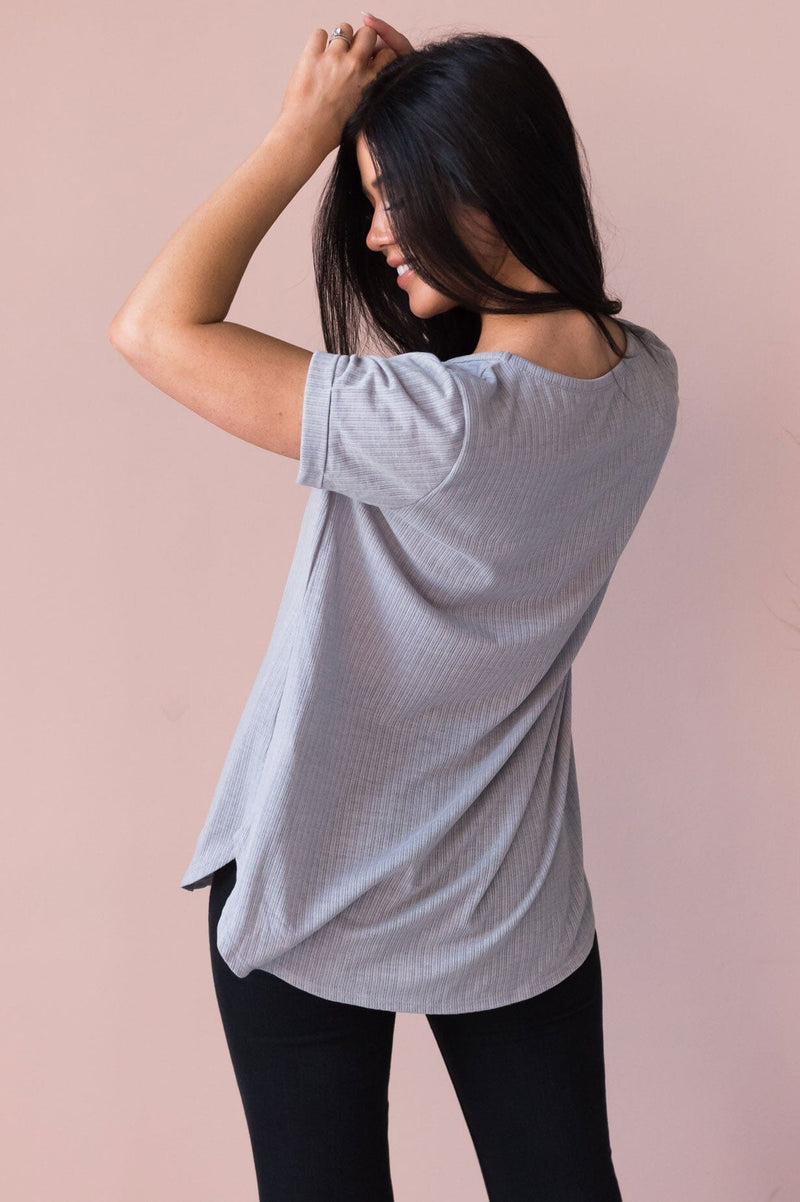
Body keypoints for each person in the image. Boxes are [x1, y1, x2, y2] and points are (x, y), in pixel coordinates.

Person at [109, 15, 680, 1201]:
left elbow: (153, 325)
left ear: (484, 186)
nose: (373, 234)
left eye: (392, 199)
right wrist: (418, 129)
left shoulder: (434, 423)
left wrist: (301, 132)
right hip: (507, 891)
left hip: (309, 877)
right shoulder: (645, 383)